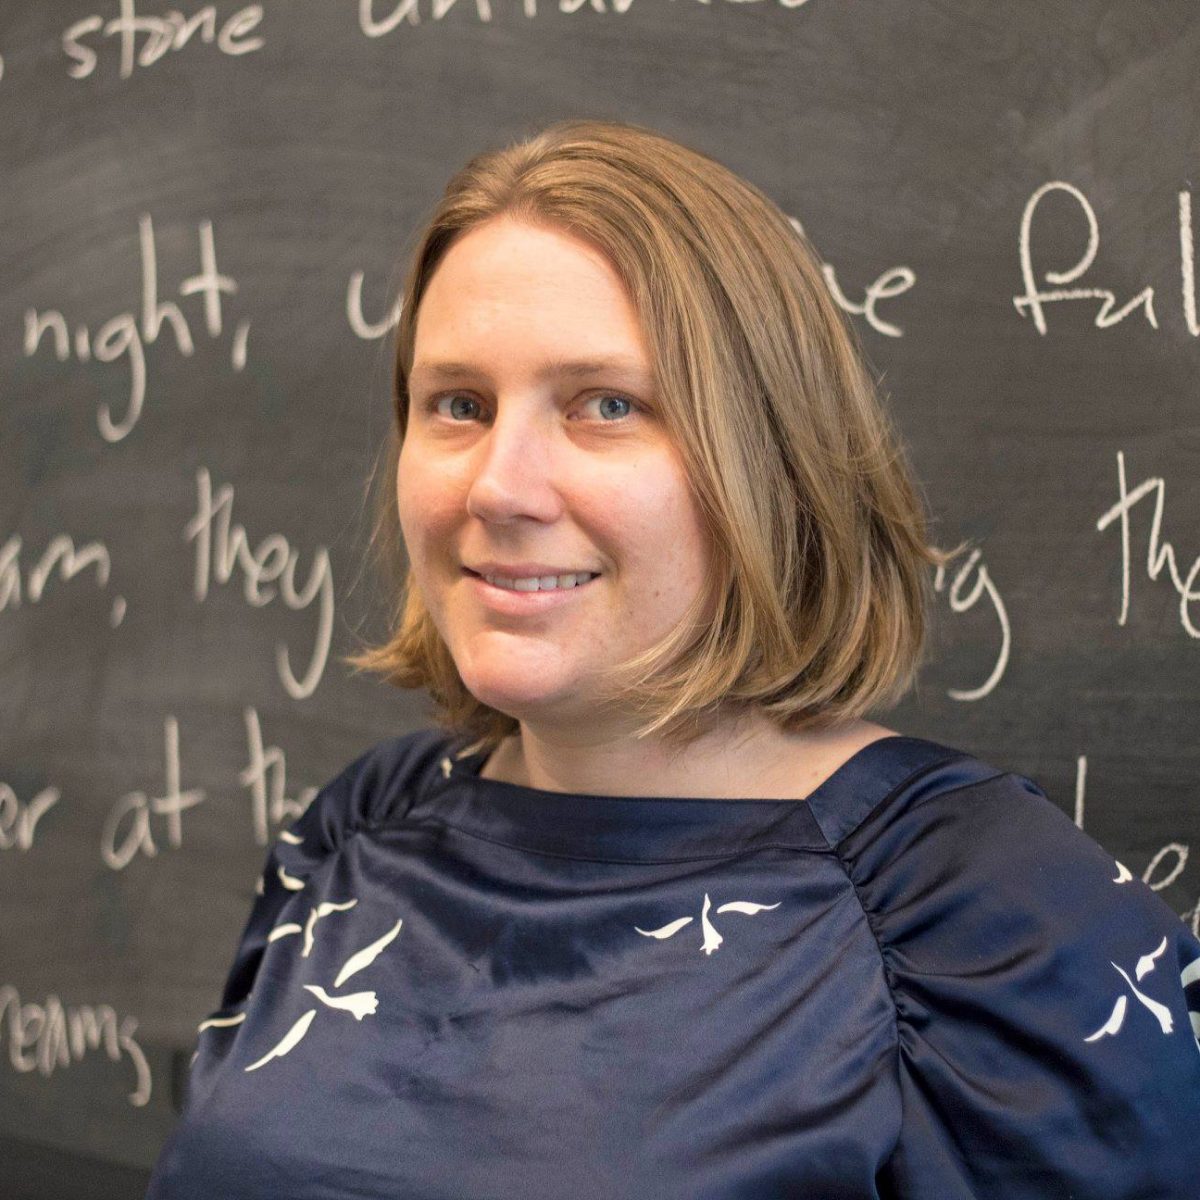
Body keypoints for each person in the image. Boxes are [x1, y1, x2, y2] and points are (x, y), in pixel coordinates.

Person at [144, 119, 1200, 1199]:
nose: (499, 487)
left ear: (770, 461)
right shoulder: (357, 831)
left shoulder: (988, 925)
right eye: (458, 405)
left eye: (607, 406)